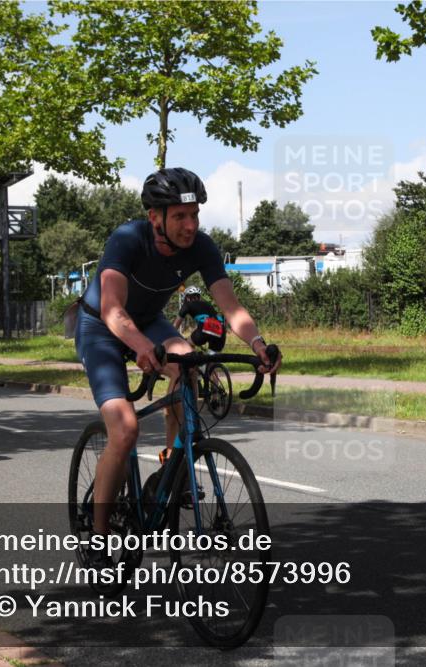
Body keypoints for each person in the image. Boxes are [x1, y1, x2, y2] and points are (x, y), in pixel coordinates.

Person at [74, 167, 281, 565]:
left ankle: (172, 466)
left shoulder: (200, 246)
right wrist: (139, 347)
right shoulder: (127, 239)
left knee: (189, 364)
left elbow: (231, 307)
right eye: (180, 217)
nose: (190, 226)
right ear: (156, 218)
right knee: (126, 428)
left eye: (195, 215)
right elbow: (113, 308)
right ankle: (98, 538)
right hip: (100, 325)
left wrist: (257, 345)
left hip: (150, 320)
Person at [173, 285, 227, 352]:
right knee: (213, 359)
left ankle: (195, 361)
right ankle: (209, 362)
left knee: (188, 344)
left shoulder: (187, 305)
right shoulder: (208, 304)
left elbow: (175, 325)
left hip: (207, 325)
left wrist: (172, 335)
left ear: (187, 297)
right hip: (221, 328)